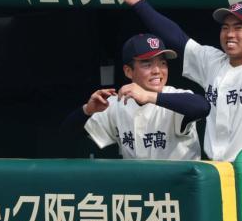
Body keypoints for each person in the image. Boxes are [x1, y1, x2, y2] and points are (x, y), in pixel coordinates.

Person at [111, 0, 242, 221]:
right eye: (225, 27)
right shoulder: (213, 62)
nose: (230, 33)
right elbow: (178, 39)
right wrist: (139, 4)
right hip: (218, 179)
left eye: (239, 27)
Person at [59, 34, 208, 160]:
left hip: (179, 189)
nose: (157, 71)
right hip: (139, 188)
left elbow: (202, 107)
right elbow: (67, 132)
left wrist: (150, 96)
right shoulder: (118, 103)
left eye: (162, 63)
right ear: (128, 71)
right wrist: (87, 110)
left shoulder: (176, 97)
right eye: (147, 65)